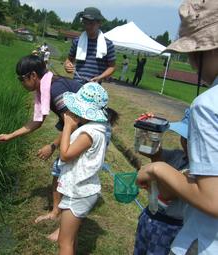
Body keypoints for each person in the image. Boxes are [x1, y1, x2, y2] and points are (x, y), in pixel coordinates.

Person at [135, 1, 218, 254]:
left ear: (211, 50)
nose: (192, 64)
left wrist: (157, 169)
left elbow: (212, 199)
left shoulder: (207, 105)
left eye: (194, 53)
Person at [0, 54, 82, 240]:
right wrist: (10, 136)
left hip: (89, 128)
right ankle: (56, 212)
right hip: (76, 126)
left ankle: (65, 229)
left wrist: (52, 145)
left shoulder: (55, 90)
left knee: (71, 175)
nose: (21, 83)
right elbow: (37, 122)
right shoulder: (44, 89)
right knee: (60, 169)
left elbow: (74, 121)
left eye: (21, 79)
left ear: (33, 76)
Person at [57, 82, 110, 255]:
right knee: (71, 239)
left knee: (63, 242)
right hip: (84, 189)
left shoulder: (88, 133)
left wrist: (67, 126)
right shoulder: (97, 129)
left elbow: (65, 154)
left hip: (78, 193)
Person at [133, 109, 190, 255]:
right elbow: (151, 152)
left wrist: (155, 170)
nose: (185, 141)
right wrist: (147, 130)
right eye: (184, 137)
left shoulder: (194, 171)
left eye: (190, 138)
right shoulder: (179, 156)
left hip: (169, 228)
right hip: (149, 217)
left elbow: (166, 193)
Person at [64, 7, 116, 84]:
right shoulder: (77, 41)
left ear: (99, 23)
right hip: (76, 84)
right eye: (85, 23)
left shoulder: (108, 44)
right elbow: (69, 59)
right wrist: (67, 66)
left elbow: (112, 67)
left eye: (91, 23)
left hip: (94, 88)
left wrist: (100, 77)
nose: (87, 26)